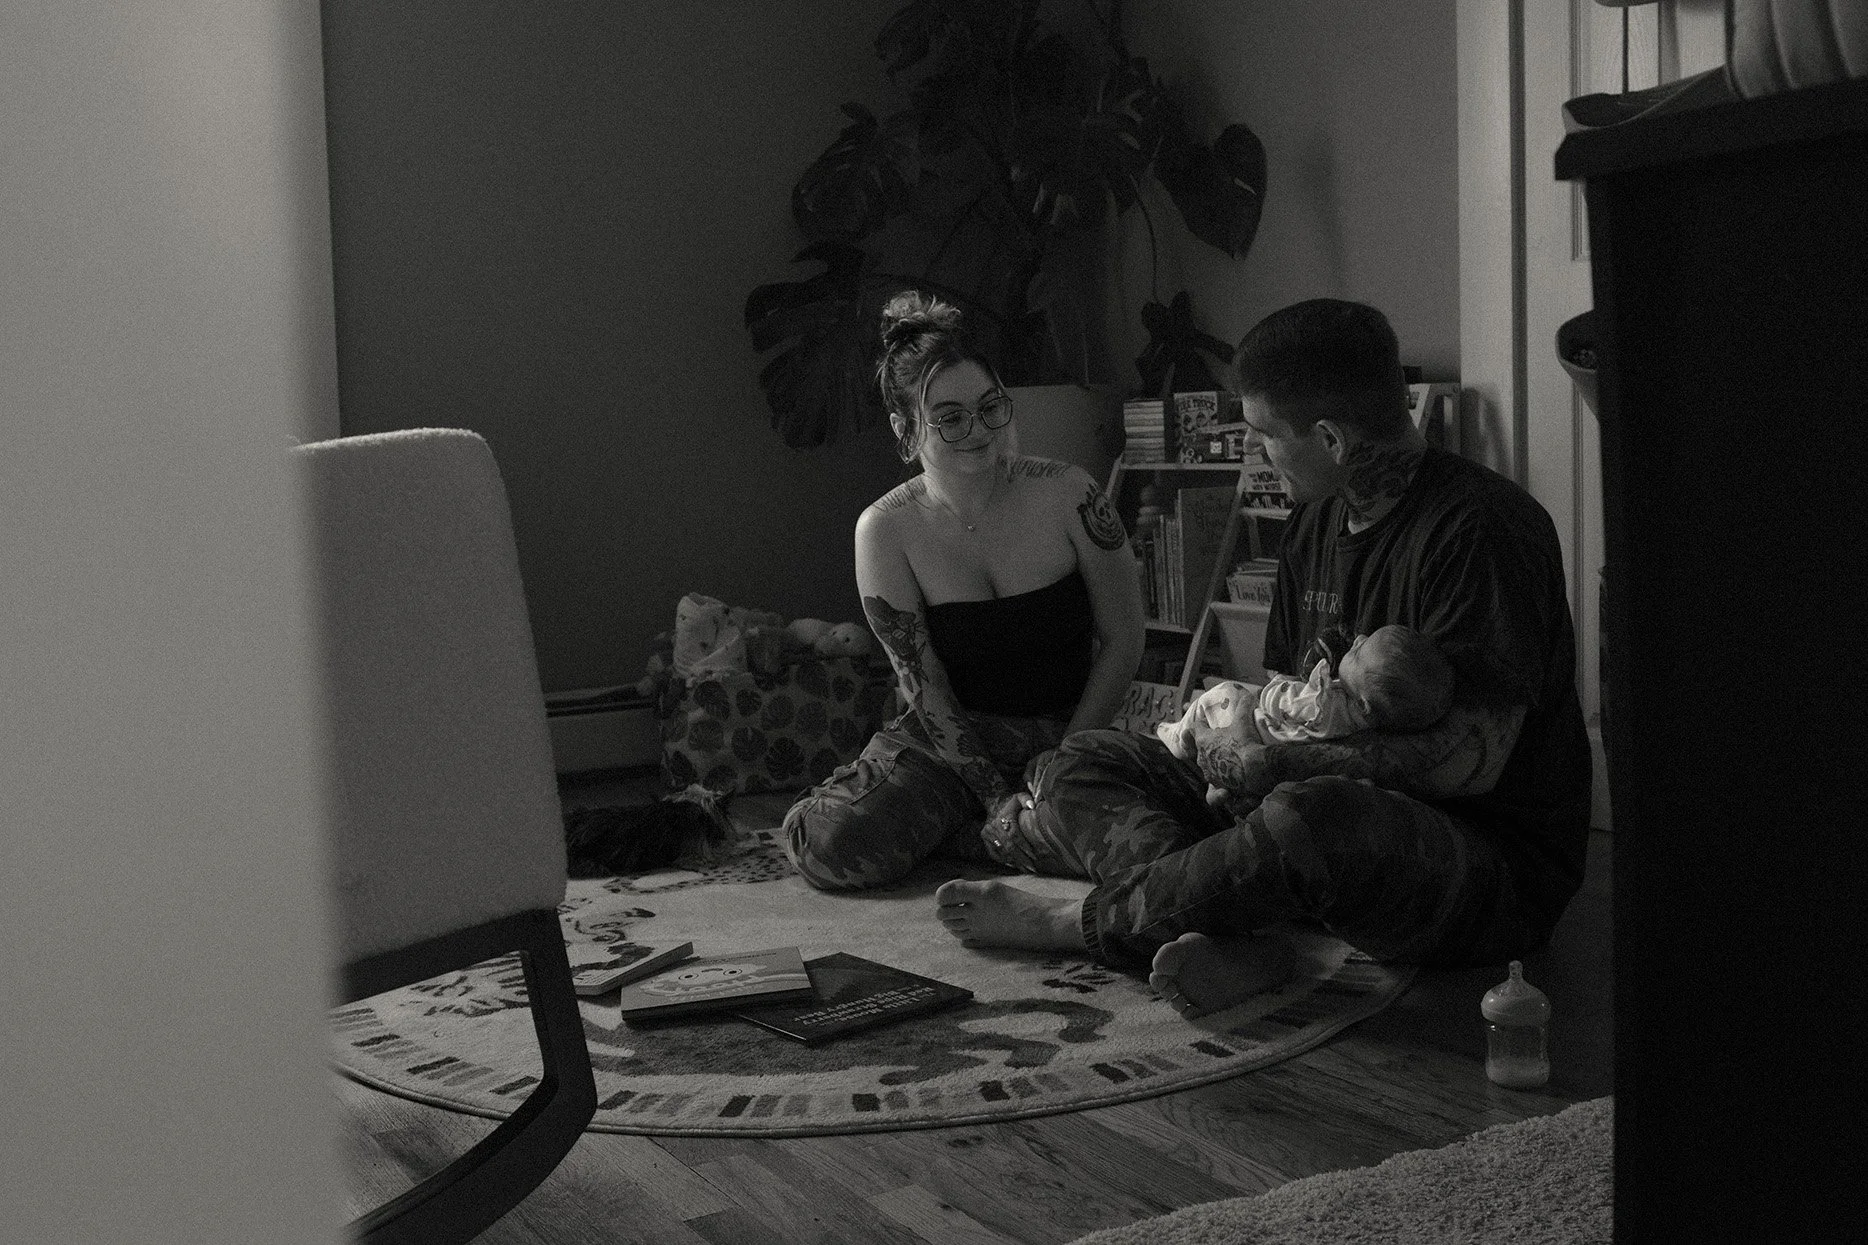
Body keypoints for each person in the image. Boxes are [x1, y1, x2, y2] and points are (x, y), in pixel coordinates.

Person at [936, 298, 1593, 1018]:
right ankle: (1233, 931)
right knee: (1078, 762)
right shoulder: (1315, 517)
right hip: (1303, 801)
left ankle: (1079, 923)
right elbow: (1287, 691)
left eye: (1264, 435)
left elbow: (1474, 760)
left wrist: (1277, 768)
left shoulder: (1485, 531)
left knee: (1314, 815)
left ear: (1332, 439)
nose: (1256, 454)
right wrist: (1239, 744)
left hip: (1482, 869)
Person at [782, 290, 1146, 890]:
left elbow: (1124, 637)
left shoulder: (1071, 494)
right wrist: (997, 795)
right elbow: (924, 685)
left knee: (1149, 845)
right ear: (906, 430)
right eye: (949, 417)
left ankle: (978, 838)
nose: (978, 430)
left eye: (991, 407)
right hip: (951, 744)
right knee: (832, 844)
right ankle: (995, 833)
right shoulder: (885, 529)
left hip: (1070, 729)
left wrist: (1062, 764)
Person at [1158, 623, 1455, 806]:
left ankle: (1180, 735)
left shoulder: (1328, 705)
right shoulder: (1365, 719)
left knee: (1229, 692)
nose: (1359, 637)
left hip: (1263, 734)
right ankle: (1218, 783)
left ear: (1365, 704)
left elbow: (1284, 703)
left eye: (1357, 653)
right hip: (1265, 754)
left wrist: (1274, 690)